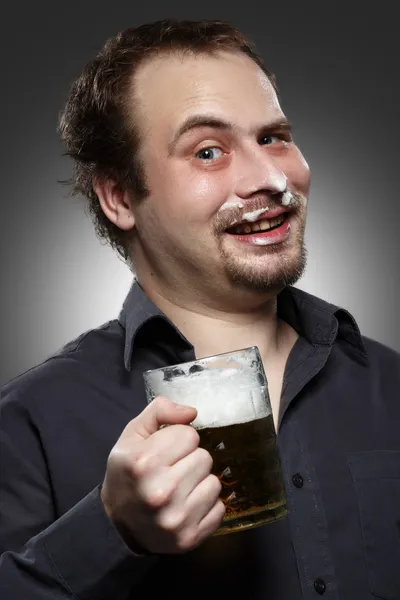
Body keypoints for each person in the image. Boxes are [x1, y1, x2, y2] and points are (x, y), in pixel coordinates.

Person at [0, 18, 399, 600]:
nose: (269, 179)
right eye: (208, 151)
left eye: (273, 137)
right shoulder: (32, 419)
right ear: (119, 197)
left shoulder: (391, 385)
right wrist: (112, 531)